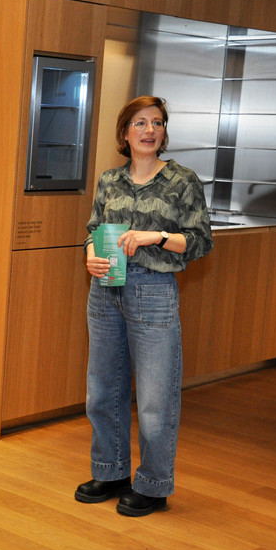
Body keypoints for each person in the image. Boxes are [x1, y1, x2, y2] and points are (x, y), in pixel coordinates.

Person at [76, 96, 213, 517]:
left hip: (153, 291)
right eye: (139, 123)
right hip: (105, 289)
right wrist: (90, 254)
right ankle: (110, 471)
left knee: (155, 398)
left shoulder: (182, 180)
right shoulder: (109, 180)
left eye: (157, 123)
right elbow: (93, 229)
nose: (149, 130)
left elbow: (201, 241)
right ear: (125, 132)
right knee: (103, 390)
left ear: (164, 131)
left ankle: (153, 484)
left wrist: (156, 236)